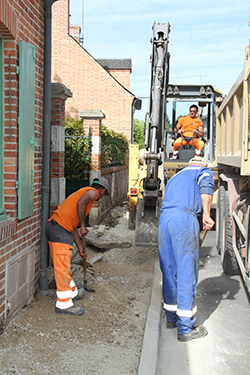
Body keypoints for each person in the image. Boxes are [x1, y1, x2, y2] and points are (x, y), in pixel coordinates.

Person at [158, 156, 214, 341]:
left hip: (165, 220)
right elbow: (206, 188)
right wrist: (206, 214)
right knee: (186, 271)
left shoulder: (174, 177)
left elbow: (165, 196)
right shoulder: (203, 172)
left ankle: (171, 318)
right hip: (184, 219)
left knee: (169, 269)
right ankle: (185, 328)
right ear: (202, 164)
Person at [45, 177, 110, 316]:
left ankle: (72, 291)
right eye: (105, 194)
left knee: (64, 265)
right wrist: (83, 225)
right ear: (102, 190)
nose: (102, 197)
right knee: (62, 267)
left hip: (58, 227)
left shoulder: (82, 195)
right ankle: (64, 304)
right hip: (59, 229)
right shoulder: (92, 192)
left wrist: (80, 247)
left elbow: (73, 226)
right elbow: (81, 205)